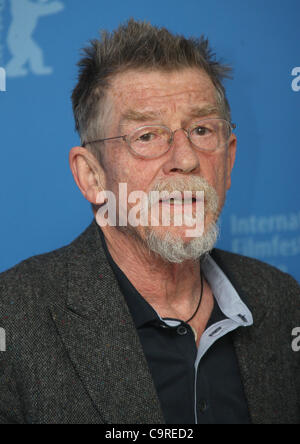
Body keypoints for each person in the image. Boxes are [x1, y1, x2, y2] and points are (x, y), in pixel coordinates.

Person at [0, 19, 299, 425]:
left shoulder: (282, 301)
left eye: (201, 129)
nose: (186, 158)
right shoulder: (14, 319)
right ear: (92, 176)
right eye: (146, 136)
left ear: (228, 160)